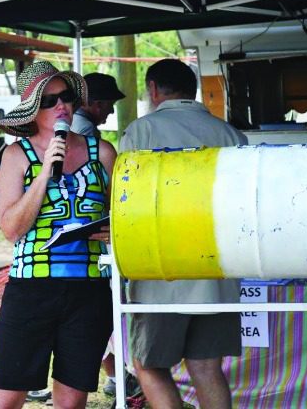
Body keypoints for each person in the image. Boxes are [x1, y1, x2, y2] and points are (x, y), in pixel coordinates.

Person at [0, 61, 116, 409]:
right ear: (33, 109)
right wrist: (44, 175)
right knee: (5, 399)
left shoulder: (102, 152)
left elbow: (123, 218)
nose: (62, 106)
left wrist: (112, 229)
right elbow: (11, 228)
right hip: (31, 288)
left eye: (67, 96)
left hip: (89, 289)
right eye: (50, 100)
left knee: (72, 402)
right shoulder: (16, 156)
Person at [119, 59, 247, 409]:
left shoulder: (141, 132)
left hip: (162, 272)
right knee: (207, 367)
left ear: (154, 89)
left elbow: (127, 202)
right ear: (192, 89)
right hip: (218, 269)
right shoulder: (231, 134)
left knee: (148, 365)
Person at [71, 72, 126, 397]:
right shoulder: (88, 134)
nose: (108, 112)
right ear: (93, 103)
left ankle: (114, 375)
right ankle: (116, 375)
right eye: (107, 104)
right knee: (98, 316)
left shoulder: (82, 130)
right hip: (89, 241)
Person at [71, 72, 126, 138]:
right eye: (111, 104)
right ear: (99, 104)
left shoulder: (68, 120)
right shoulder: (88, 129)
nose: (112, 111)